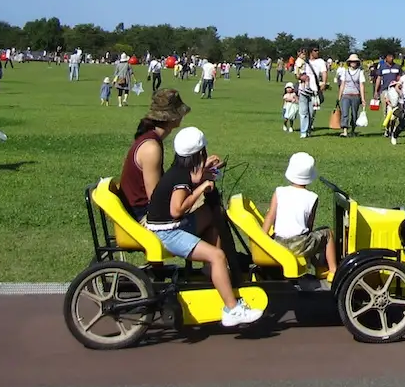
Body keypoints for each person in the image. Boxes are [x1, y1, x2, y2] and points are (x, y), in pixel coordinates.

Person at [143, 127, 261, 327]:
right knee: (218, 255)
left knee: (212, 217)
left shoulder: (179, 169)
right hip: (169, 233)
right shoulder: (180, 179)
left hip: (169, 226)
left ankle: (212, 272)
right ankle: (232, 309)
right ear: (199, 153)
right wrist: (201, 188)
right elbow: (177, 210)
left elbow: (193, 178)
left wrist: (208, 170)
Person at [261, 151, 338, 277]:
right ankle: (333, 270)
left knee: (310, 237)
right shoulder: (312, 197)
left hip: (279, 242)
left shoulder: (279, 192)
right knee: (327, 233)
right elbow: (309, 225)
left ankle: (319, 267)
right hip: (300, 245)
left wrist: (262, 239)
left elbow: (270, 216)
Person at [118, 89, 192, 220]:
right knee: (208, 210)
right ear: (172, 117)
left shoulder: (150, 138)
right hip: (141, 216)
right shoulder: (151, 148)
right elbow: (156, 200)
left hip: (140, 211)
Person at [296, 46, 327, 138]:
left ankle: (308, 129)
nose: (317, 52)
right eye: (315, 50)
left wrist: (324, 83)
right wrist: (300, 77)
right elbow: (297, 73)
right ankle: (303, 132)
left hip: (314, 90)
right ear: (310, 52)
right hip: (303, 89)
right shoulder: (303, 61)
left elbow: (324, 72)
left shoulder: (320, 61)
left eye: (318, 50)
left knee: (311, 112)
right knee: (303, 112)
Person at [336, 54, 366, 137]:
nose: (353, 63)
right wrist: (339, 96)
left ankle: (353, 129)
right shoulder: (345, 72)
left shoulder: (360, 72)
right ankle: (345, 130)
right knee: (345, 113)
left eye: (355, 61)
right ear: (349, 62)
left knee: (354, 114)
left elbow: (361, 85)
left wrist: (363, 99)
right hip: (345, 95)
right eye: (352, 61)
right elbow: (342, 84)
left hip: (355, 95)